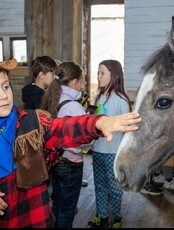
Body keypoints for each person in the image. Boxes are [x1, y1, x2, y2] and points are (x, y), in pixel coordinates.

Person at [0, 58, 141, 228]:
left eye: (5, 86)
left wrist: (97, 123)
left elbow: (64, 127)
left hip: (32, 217)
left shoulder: (29, 122)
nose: (3, 95)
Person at [41, 61, 93, 228]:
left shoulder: (51, 99)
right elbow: (86, 141)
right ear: (74, 82)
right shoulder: (74, 106)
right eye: (82, 81)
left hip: (54, 160)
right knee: (67, 210)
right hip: (71, 163)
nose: (82, 85)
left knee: (57, 206)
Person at [88, 60, 132, 228]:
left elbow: (128, 130)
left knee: (115, 188)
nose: (98, 77)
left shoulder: (121, 100)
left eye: (102, 73)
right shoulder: (98, 97)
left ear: (113, 75)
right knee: (99, 185)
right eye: (98, 73)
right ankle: (102, 215)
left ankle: (116, 218)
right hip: (98, 150)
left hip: (114, 152)